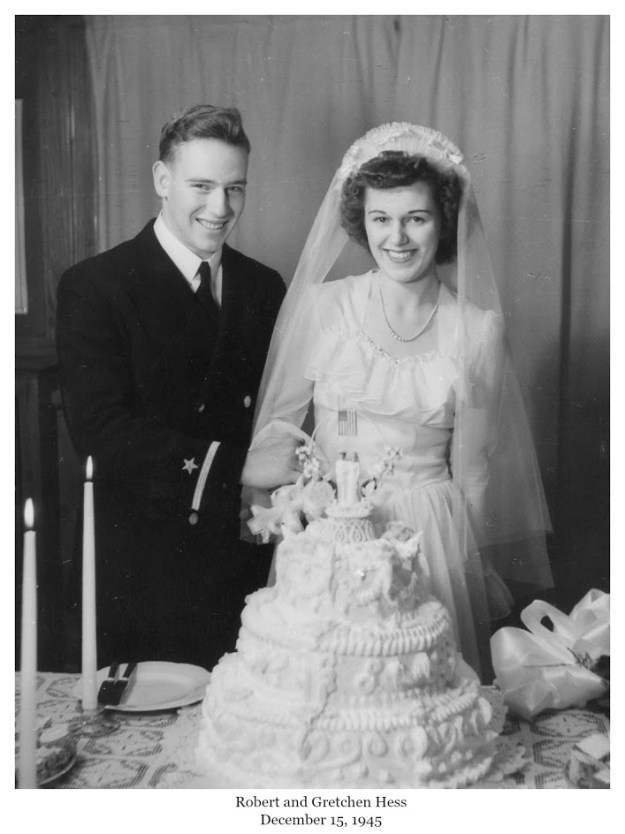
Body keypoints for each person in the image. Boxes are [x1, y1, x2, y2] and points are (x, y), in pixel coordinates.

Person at [248, 123, 554, 679]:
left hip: (430, 537)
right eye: (380, 219)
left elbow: (474, 471)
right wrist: (289, 516)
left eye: (416, 218)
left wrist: (465, 566)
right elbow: (277, 431)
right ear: (360, 222)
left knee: (416, 697)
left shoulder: (477, 330)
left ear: (444, 220)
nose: (398, 238)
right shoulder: (324, 307)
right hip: (332, 529)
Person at [56, 104, 299, 670]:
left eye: (235, 188)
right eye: (202, 186)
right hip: (140, 574)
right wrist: (240, 466)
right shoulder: (96, 286)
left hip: (237, 566)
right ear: (162, 180)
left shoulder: (264, 287)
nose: (220, 208)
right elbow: (103, 435)